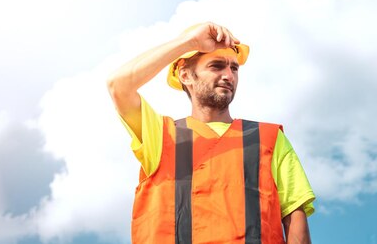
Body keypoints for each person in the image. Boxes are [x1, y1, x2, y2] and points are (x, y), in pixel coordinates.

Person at [107, 22, 315, 244]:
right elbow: (118, 86)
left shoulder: (270, 138)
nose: (229, 75)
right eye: (216, 66)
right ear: (186, 76)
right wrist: (189, 43)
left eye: (234, 68)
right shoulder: (160, 136)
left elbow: (294, 216)